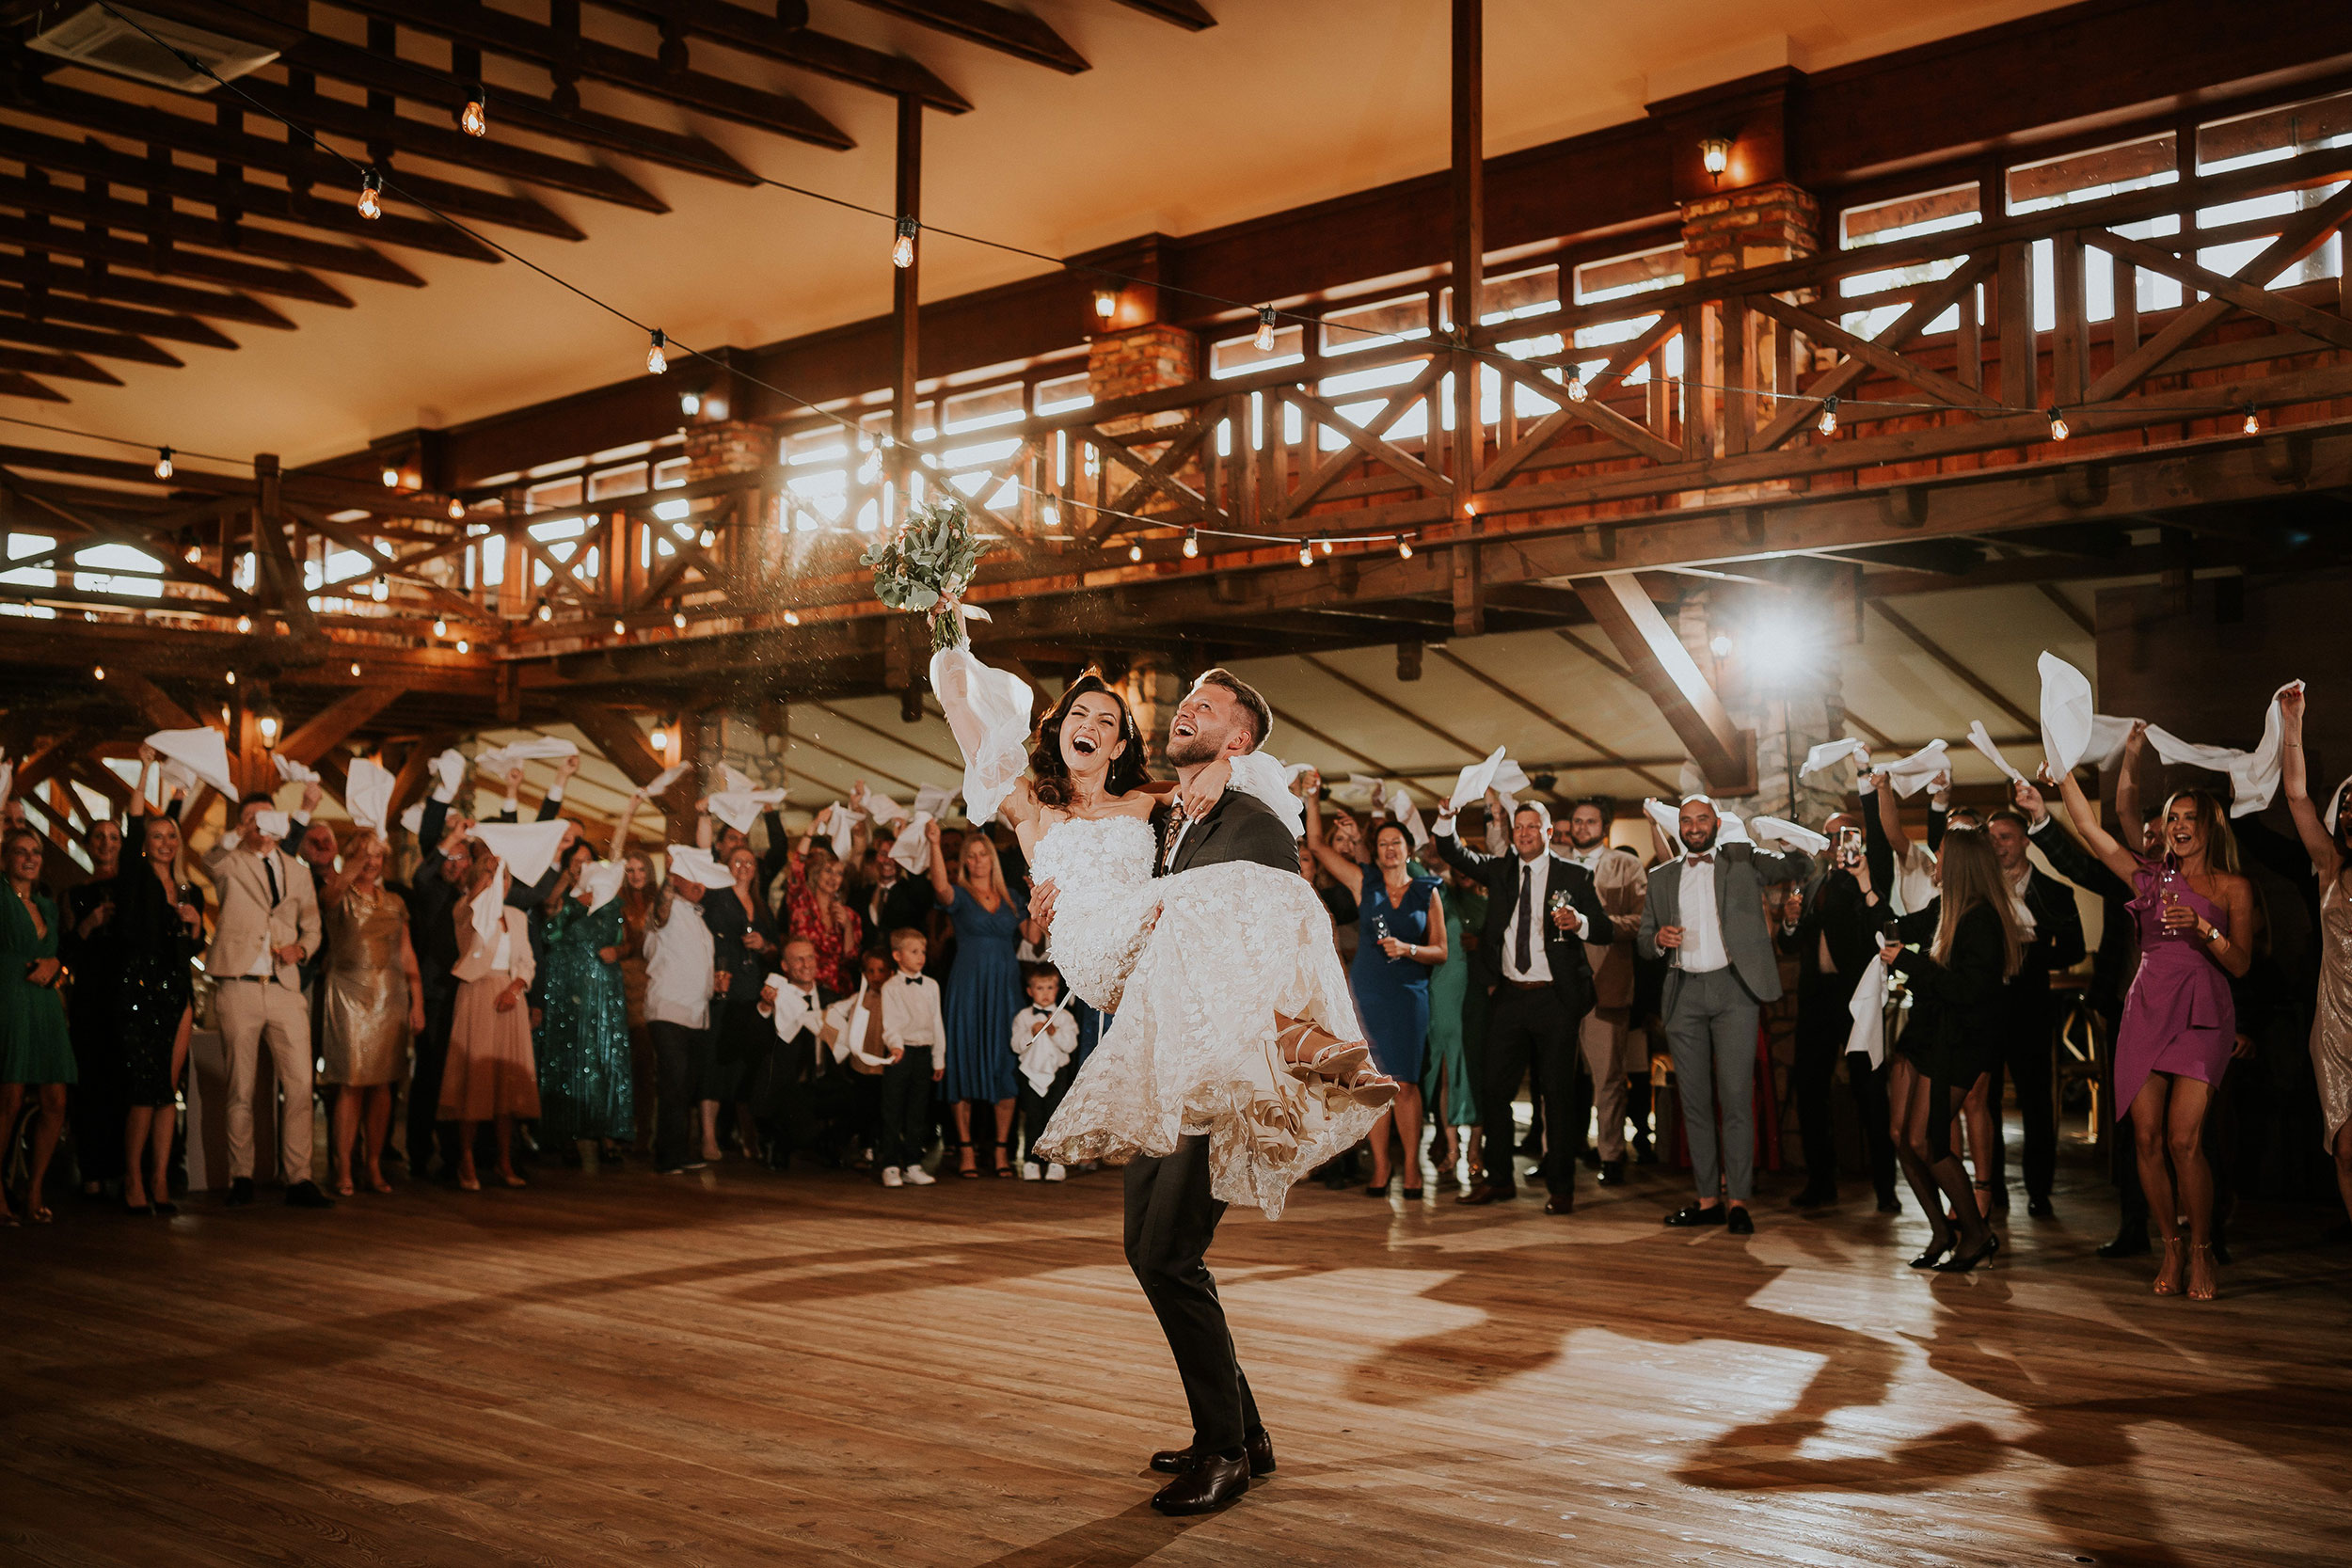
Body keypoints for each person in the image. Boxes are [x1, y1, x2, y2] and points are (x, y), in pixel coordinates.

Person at [1004, 667, 1390, 1517]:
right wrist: (1062, 905)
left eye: (1206, 708)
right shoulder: (1174, 822)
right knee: (1152, 1248)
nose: (1186, 710)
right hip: (1165, 1060)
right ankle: (1244, 1430)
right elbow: (1139, 917)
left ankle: (1225, 1452)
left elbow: (1279, 931)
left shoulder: (1252, 819)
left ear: (1239, 739)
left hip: (1219, 1068)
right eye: (1185, 702)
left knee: (1167, 1254)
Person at [2056, 770, 2253, 1300]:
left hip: (2202, 1014)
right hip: (2146, 1011)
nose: (2179, 826)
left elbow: (2240, 964)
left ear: (2209, 827)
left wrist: (2204, 929)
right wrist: (2064, 775)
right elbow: (2089, 830)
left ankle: (2203, 1248)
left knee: (2183, 1140)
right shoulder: (2147, 877)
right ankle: (2170, 1246)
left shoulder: (2234, 887)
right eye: (2173, 818)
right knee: (2145, 1139)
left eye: (2190, 818)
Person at [1639, 796, 1814, 1236]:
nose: (1694, 827)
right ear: (1678, 826)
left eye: (1702, 819)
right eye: (1686, 821)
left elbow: (1799, 868)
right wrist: (1658, 939)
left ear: (1717, 823)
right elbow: (1644, 939)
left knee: (1736, 1099)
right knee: (1694, 1102)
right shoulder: (1660, 876)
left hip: (1734, 990)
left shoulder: (1741, 857)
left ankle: (1738, 1201)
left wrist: (1786, 840)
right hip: (1684, 994)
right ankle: (1707, 1200)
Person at [1430, 795, 1613, 1215]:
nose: (1525, 833)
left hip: (1556, 998)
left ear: (1548, 832)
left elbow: (1603, 930)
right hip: (1509, 996)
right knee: (1494, 1090)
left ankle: (1561, 1188)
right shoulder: (1501, 869)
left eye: (1533, 826)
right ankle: (1498, 1181)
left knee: (1557, 1096)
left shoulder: (1575, 875)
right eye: (1519, 827)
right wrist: (1445, 818)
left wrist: (1580, 922)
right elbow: (1452, 852)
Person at [1880, 829, 2020, 1273]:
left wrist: (1908, 962)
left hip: (1960, 1039)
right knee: (1902, 1137)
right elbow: (1901, 926)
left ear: (1958, 864)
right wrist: (1866, 887)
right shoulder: (1946, 908)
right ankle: (1941, 1231)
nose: (1934, 864)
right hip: (1929, 1031)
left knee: (1927, 1140)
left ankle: (1977, 1232)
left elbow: (1967, 990)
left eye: (1939, 856)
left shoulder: (1982, 920)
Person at [1303, 803, 1445, 1197]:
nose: (1390, 849)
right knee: (1375, 1081)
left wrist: (1409, 949)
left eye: (1396, 843)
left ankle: (1412, 1166)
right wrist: (1312, 799)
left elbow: (1441, 950)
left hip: (1409, 994)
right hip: (1368, 993)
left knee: (1407, 1084)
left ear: (1409, 849)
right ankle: (1381, 1166)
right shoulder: (1364, 882)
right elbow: (1317, 844)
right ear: (1376, 850)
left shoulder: (1427, 891)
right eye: (1383, 844)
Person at [201, 798, 331, 1209]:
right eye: (252, 819)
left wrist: (301, 949)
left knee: (300, 1084)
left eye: (266, 817)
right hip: (239, 983)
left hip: (284, 987)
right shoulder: (230, 862)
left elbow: (313, 927)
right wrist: (242, 832)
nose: (261, 826)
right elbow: (210, 859)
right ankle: (241, 1175)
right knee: (241, 1085)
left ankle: (299, 1177)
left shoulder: (298, 871)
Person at [1780, 812, 1897, 1212]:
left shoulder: (1869, 877)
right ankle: (1821, 1182)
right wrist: (1790, 924)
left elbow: (1881, 924)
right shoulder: (1814, 884)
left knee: (1870, 1091)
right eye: (1828, 836)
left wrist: (1861, 877)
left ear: (1856, 839)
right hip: (1816, 998)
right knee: (1810, 1088)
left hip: (1856, 998)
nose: (1834, 843)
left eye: (1843, 835)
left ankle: (1886, 1188)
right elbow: (1791, 945)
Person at [1979, 805, 2088, 1218]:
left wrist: (2031, 949)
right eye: (1992, 839)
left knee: (2036, 1103)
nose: (1998, 845)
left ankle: (2040, 1190)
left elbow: (2074, 950)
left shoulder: (2055, 893)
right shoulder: (1979, 892)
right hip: (1988, 1008)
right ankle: (1993, 1190)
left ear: (2025, 841)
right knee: (1985, 1101)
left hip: (2032, 1009)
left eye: (2005, 837)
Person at [109, 770, 204, 1216]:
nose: (166, 842)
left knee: (168, 1087)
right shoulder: (135, 876)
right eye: (158, 836)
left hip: (178, 988)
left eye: (172, 836)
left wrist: (197, 928)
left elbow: (191, 948)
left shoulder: (188, 889)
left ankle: (160, 1179)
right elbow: (132, 821)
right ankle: (133, 1177)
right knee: (144, 1086)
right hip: (139, 987)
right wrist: (146, 770)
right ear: (145, 844)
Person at [924, 817, 1037, 1178]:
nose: (977, 861)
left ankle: (1002, 1152)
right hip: (968, 988)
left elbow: (1034, 937)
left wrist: (1037, 898)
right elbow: (940, 888)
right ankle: (966, 1151)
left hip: (1005, 989)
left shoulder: (1011, 897)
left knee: (1005, 1061)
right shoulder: (959, 895)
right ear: (964, 862)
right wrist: (933, 843)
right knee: (964, 1059)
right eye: (970, 856)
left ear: (992, 858)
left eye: (982, 854)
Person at [2280, 689, 2352, 1236]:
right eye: (2346, 804)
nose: (2349, 812)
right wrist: (2294, 723)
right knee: (2346, 1150)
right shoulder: (2329, 863)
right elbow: (2297, 794)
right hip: (2334, 1024)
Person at [317, 830, 424, 1196]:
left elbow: (407, 953)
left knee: (383, 1085)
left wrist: (417, 1001)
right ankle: (344, 1166)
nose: (372, 862)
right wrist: (354, 862)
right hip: (348, 994)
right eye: (365, 854)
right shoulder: (337, 894)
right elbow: (332, 892)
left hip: (390, 997)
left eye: (378, 855)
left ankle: (374, 1164)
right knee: (350, 1082)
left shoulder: (395, 901)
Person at [1551, 800, 1648, 1185]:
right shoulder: (1555, 862)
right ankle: (1553, 1153)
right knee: (1554, 1077)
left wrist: (1591, 925)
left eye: (1590, 821)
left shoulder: (1626, 865)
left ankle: (1611, 1155)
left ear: (1604, 827)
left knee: (1608, 1078)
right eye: (1577, 821)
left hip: (1606, 981)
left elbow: (1642, 920)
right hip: (1556, 984)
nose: (1582, 827)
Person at [443, 846, 542, 1190]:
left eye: (504, 877)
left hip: (509, 998)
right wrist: (481, 885)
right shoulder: (466, 910)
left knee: (506, 1083)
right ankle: (466, 1159)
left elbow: (527, 961)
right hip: (477, 994)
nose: (500, 882)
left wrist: (516, 987)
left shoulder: (516, 916)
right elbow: (466, 913)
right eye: (491, 875)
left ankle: (504, 1160)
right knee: (476, 1079)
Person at [535, 848, 634, 1166]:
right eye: (576, 861)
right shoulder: (561, 899)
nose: (581, 866)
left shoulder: (612, 901)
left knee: (604, 1055)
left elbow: (626, 940)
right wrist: (571, 905)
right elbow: (548, 932)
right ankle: (565, 1133)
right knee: (567, 1056)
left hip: (604, 988)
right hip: (565, 985)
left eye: (587, 860)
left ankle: (607, 1132)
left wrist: (619, 951)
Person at [0, 825, 74, 1226]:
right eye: (20, 851)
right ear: (5, 859)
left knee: (55, 1101)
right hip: (10, 998)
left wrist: (56, 963)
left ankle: (35, 1191)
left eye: (36, 852)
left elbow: (57, 951)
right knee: (9, 1100)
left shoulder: (47, 905)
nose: (29, 858)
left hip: (46, 1004)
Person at [701, 839, 781, 1163]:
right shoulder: (716, 897)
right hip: (723, 987)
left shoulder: (761, 905)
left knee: (747, 1067)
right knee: (714, 1063)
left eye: (749, 862)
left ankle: (748, 1136)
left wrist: (764, 945)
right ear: (726, 866)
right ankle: (708, 1137)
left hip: (752, 992)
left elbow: (775, 950)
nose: (744, 867)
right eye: (737, 861)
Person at [63, 815, 127, 1198]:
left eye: (113, 837)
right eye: (99, 837)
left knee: (123, 1083)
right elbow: (66, 949)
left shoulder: (132, 888)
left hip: (125, 994)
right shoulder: (74, 894)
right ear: (88, 845)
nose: (106, 843)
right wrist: (88, 925)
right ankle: (91, 1170)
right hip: (89, 996)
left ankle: (125, 1168)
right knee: (90, 1083)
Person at [642, 850, 716, 1175]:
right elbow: (660, 913)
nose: (699, 885)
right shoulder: (666, 908)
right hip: (669, 1008)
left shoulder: (699, 918)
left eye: (702, 880)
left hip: (696, 1012)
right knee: (673, 1082)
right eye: (692, 878)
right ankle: (666, 1156)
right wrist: (670, 879)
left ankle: (680, 1150)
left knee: (686, 1084)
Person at [1421, 857, 1482, 1187]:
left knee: (1474, 1072)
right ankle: (1451, 1146)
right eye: (1457, 867)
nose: (1463, 872)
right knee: (1445, 1070)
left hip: (1479, 994)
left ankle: (1475, 1149)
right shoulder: (1442, 896)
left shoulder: (1491, 902)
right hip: (1443, 989)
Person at [870, 927, 944, 1188]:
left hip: (924, 1053)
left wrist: (938, 1058)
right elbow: (890, 1023)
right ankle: (890, 1164)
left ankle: (913, 1164)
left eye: (922, 951)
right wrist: (895, 1046)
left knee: (917, 1111)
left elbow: (937, 1022)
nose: (920, 956)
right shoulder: (890, 987)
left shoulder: (931, 986)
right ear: (897, 956)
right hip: (901, 1054)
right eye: (914, 952)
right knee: (892, 1110)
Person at [755, 935, 834, 1169]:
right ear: (785, 966)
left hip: (823, 1080)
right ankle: (780, 1143)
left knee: (864, 1102)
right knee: (803, 1130)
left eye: (810, 957)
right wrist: (765, 1007)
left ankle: (828, 1145)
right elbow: (755, 1040)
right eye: (798, 959)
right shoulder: (775, 998)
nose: (806, 964)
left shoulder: (830, 998)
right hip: (788, 1084)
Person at [1011, 965, 1080, 1180]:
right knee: (1033, 1118)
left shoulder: (1065, 1017)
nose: (1045, 993)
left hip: (1057, 1074)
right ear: (1030, 991)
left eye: (1050, 987)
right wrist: (1030, 1034)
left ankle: (1055, 1162)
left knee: (1055, 1118)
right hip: (1030, 1075)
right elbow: (1016, 1046)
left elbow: (1070, 1045)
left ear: (1057, 989)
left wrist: (1054, 1032)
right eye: (1040, 988)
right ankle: (1031, 1161)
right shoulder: (1023, 1017)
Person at [784, 813, 864, 990]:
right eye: (828, 871)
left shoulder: (850, 915)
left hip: (838, 990)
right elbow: (796, 868)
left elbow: (850, 960)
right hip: (803, 988)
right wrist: (813, 827)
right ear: (817, 873)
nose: (833, 878)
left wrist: (847, 927)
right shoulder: (801, 903)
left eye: (839, 873)